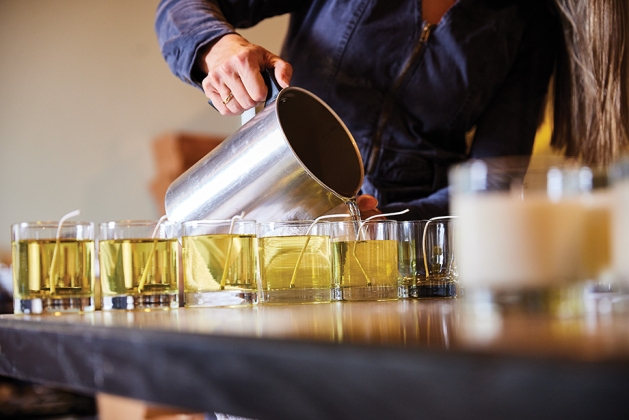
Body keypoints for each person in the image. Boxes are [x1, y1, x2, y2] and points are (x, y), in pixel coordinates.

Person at [154, 0, 629, 220]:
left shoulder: (527, 22)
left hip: (405, 254)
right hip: (277, 213)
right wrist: (216, 47)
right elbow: (181, 6)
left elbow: (493, 183)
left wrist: (386, 220)